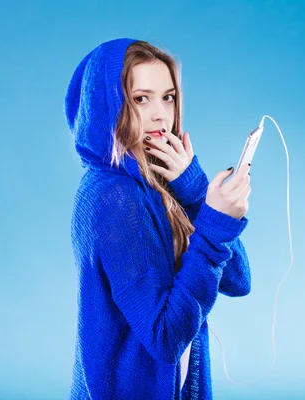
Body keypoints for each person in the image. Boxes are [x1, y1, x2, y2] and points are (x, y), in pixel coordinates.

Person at [65, 37, 252, 399]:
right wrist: (213, 223)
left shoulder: (155, 183)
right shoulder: (115, 197)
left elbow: (238, 280)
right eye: (140, 99)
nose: (160, 114)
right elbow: (166, 338)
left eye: (167, 97)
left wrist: (195, 189)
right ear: (107, 105)